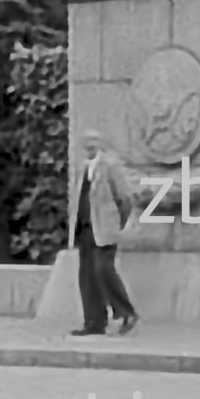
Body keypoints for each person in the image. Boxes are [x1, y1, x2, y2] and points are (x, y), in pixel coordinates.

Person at [68, 129, 140, 338]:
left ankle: (126, 311)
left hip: (104, 228)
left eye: (93, 141)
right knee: (87, 275)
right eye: (87, 141)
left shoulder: (110, 165)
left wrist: (118, 224)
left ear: (101, 143)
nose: (89, 145)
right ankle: (93, 322)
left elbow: (125, 198)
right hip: (85, 228)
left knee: (103, 269)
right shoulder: (83, 168)